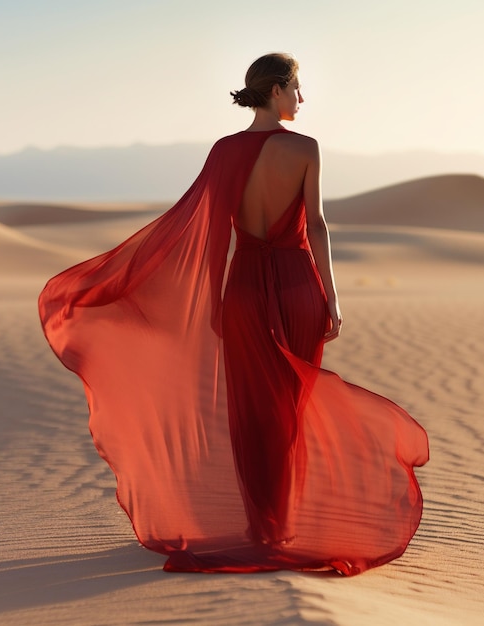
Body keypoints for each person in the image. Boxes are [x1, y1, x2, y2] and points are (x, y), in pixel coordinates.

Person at [39, 52, 429, 577]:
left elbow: (206, 230)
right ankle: (281, 524)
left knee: (252, 409)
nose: (301, 99)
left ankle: (263, 526)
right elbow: (316, 225)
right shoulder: (305, 149)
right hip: (297, 287)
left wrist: (210, 297)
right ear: (275, 91)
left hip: (243, 287)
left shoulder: (225, 152)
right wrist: (333, 297)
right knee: (289, 406)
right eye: (296, 89)